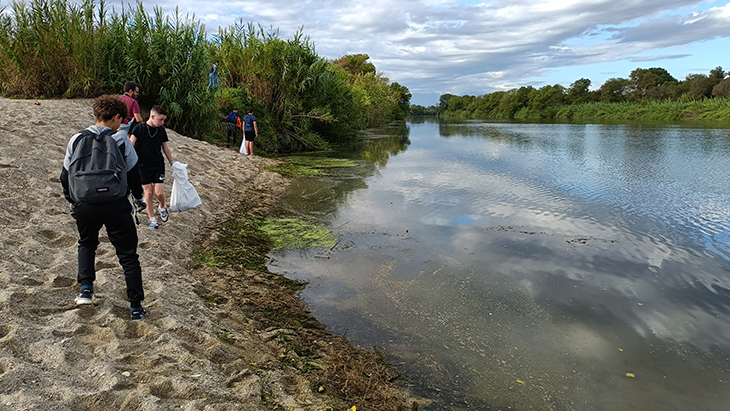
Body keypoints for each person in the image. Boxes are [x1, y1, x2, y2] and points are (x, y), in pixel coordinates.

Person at [60, 95, 148, 321]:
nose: (122, 123)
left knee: (86, 243)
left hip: (86, 203)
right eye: (122, 119)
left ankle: (86, 290)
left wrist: (73, 201)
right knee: (128, 255)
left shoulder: (76, 139)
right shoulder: (120, 139)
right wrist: (139, 200)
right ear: (117, 117)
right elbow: (133, 175)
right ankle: (136, 307)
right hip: (115, 203)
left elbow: (65, 175)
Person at [130, 105, 174, 229]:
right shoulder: (139, 128)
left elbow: (165, 148)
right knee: (148, 193)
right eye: (160, 119)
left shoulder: (161, 130)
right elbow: (130, 145)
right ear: (152, 116)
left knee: (159, 192)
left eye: (164, 120)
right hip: (142, 166)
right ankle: (151, 218)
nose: (162, 122)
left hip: (157, 164)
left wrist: (172, 162)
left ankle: (162, 207)